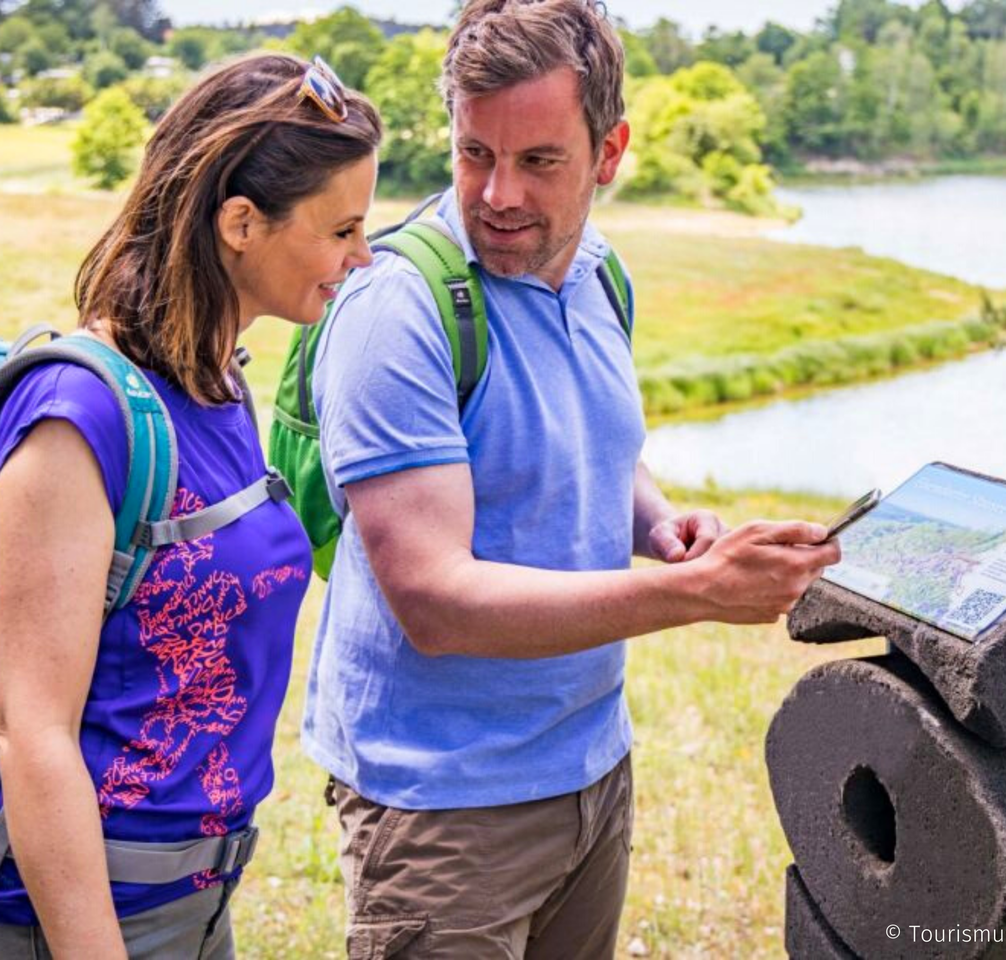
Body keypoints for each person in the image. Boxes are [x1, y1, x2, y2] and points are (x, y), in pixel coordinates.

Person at [302, 2, 840, 957]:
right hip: (443, 805)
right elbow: (436, 601)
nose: (498, 193)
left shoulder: (596, 275)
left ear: (610, 150)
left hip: (591, 769)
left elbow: (594, 441)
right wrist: (694, 593)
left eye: (539, 161)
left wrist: (662, 523)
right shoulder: (398, 310)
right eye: (475, 155)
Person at [0, 53, 380, 958]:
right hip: (77, 923)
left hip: (196, 906)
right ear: (242, 222)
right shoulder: (81, 417)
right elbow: (30, 732)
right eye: (343, 230)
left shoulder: (218, 383)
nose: (360, 259)